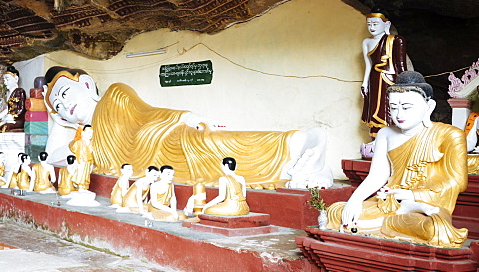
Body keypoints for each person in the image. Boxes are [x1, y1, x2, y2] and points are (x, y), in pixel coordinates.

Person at [44, 66, 330, 188]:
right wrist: (55, 121)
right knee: (217, 163)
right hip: (156, 165)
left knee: (216, 142)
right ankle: (296, 159)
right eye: (57, 107)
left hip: (169, 137)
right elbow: (51, 158)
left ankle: (300, 141)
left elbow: (149, 113)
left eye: (65, 94)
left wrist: (186, 117)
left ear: (85, 84)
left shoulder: (114, 94)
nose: (63, 106)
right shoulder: (85, 139)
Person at [327, 71, 468, 248]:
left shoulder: (450, 135)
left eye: (407, 107)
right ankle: (390, 218)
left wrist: (412, 195)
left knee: (435, 228)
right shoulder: (385, 133)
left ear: (428, 107)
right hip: (390, 201)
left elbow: (457, 182)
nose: (399, 114)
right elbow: (377, 176)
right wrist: (354, 201)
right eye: (393, 108)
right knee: (336, 213)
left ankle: (392, 216)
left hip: (428, 203)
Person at [361, 13, 409, 138]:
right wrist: (364, 83)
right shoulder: (366, 42)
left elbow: (402, 66)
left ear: (386, 24)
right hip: (375, 79)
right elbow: (368, 65)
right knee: (374, 109)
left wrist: (405, 85)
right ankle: (375, 139)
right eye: (369, 24)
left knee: (391, 107)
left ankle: (393, 136)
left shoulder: (396, 40)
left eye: (375, 24)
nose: (372, 27)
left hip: (391, 80)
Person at [0, 68, 26, 132]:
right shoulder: (8, 94)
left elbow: (22, 108)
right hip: (8, 118)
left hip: (17, 120)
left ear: (16, 79)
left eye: (7, 79)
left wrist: (13, 117)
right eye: (4, 80)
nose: (5, 82)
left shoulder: (19, 91)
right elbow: (7, 109)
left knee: (5, 127)